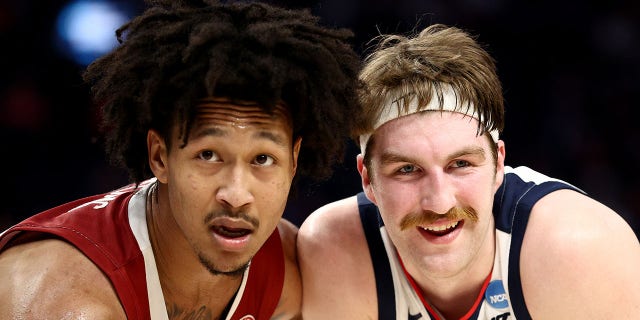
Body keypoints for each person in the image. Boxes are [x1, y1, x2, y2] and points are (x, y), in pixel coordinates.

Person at [0, 0, 361, 319]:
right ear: (160, 157)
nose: (236, 195)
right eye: (208, 155)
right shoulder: (67, 302)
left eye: (263, 159)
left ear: (293, 162)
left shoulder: (287, 272)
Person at [297, 23, 640, 319]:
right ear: (367, 178)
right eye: (407, 169)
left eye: (460, 164)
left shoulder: (579, 252)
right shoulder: (334, 251)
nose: (439, 203)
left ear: (498, 165)